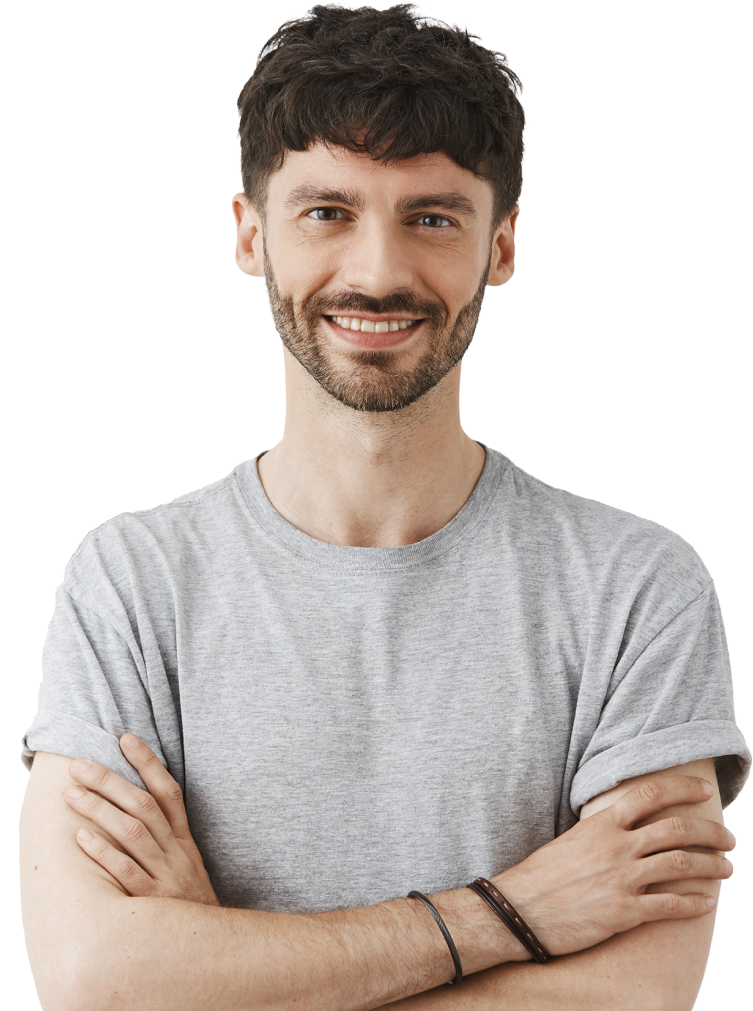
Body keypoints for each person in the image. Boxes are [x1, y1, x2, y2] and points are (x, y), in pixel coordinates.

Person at [19, 4, 749, 1009]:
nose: (377, 273)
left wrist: (222, 969)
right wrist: (512, 913)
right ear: (249, 234)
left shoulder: (636, 586)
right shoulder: (130, 582)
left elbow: (636, 998)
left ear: (501, 246)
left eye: (432, 218)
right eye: (327, 212)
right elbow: (92, 980)